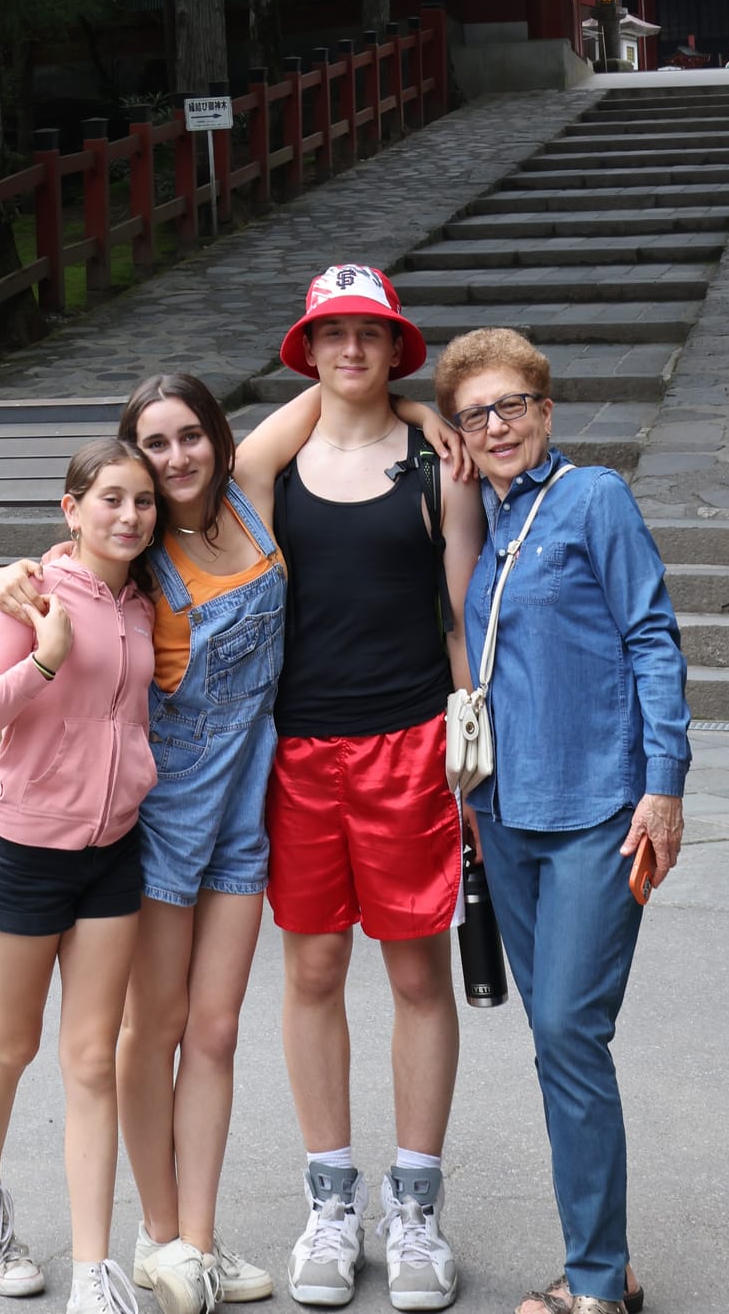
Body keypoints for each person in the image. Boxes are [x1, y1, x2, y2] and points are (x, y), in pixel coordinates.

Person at [0, 347, 469, 1314]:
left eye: (189, 435)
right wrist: (13, 575)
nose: (176, 458)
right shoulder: (134, 548)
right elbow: (65, 563)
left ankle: (198, 1241)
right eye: (153, 445)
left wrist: (419, 413)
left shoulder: (248, 490)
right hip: (165, 814)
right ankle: (160, 1237)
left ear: (218, 437)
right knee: (152, 1029)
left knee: (214, 1029)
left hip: (247, 807)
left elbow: (336, 387)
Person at [437, 327, 690, 1314]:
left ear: (545, 409)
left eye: (512, 404)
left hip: (598, 808)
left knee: (566, 1027)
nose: (496, 424)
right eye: (475, 414)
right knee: (557, 1044)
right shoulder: (489, 520)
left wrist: (663, 784)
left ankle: (594, 1283)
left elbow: (652, 636)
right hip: (505, 813)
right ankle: (604, 1263)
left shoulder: (594, 498)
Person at [266, 267, 486, 1314]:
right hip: (302, 747)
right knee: (312, 969)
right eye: (332, 333)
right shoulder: (278, 465)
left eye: (370, 332)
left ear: (396, 343)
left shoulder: (438, 467)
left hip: (411, 743)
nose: (350, 348)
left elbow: (463, 618)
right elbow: (231, 457)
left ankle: (415, 1206)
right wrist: (389, 401)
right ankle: (329, 1202)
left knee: (415, 975)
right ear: (308, 349)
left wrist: (472, 752)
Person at [0, 437, 163, 1314]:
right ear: (72, 508)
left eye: (143, 500)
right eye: (111, 497)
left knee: (91, 1059)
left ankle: (91, 1273)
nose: (130, 515)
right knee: (14, 1042)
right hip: (27, 846)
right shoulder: (32, 593)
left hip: (113, 848)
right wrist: (43, 658)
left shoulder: (145, 603)